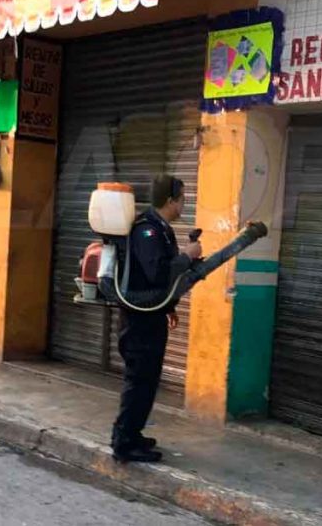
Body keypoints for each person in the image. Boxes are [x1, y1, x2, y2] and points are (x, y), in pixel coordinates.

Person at [110, 174, 202, 463]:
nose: (185, 203)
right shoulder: (147, 230)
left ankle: (132, 434)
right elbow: (158, 273)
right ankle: (124, 443)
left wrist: (168, 307)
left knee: (147, 381)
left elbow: (161, 282)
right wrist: (187, 256)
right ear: (171, 200)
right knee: (139, 381)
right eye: (183, 198)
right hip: (139, 321)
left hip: (151, 316)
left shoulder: (161, 229)